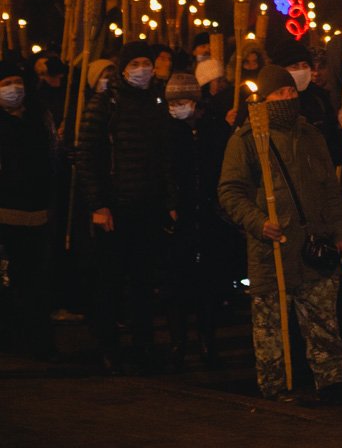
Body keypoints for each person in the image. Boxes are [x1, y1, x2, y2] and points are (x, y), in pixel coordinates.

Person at [217, 64, 342, 404]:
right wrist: (257, 220)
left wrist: (341, 231)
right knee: (271, 327)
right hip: (272, 250)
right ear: (264, 99)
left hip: (314, 245)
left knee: (323, 319)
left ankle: (330, 381)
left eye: (292, 92)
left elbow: (329, 190)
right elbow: (230, 192)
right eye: (280, 93)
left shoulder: (311, 135)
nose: (288, 98)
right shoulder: (246, 140)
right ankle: (277, 385)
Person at [76, 41, 175, 374]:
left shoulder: (157, 101)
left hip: (149, 205)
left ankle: (143, 344)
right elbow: (88, 156)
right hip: (116, 208)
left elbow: (165, 156)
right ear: (123, 69)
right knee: (111, 280)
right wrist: (99, 204)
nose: (143, 69)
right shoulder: (105, 103)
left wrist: (169, 201)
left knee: (144, 280)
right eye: (135, 63)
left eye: (147, 62)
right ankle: (108, 345)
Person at [163, 72, 236, 371]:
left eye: (184, 101)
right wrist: (169, 202)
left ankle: (208, 339)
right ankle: (178, 341)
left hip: (208, 213)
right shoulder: (165, 130)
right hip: (177, 216)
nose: (179, 107)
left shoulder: (215, 128)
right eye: (174, 102)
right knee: (177, 282)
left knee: (210, 281)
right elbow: (161, 169)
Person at [0, 60, 58, 360]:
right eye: (5, 84)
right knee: (10, 282)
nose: (13, 89)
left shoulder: (38, 118)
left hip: (38, 213)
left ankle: (37, 338)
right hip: (5, 213)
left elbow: (48, 158)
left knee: (35, 280)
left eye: (16, 82)